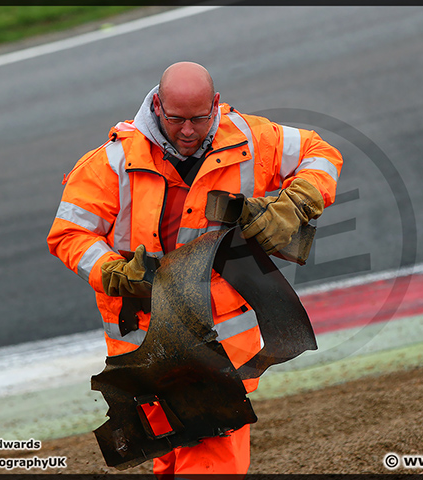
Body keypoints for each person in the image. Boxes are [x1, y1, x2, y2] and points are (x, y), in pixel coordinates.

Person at [47, 61, 343, 476]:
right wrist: (114, 272)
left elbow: (320, 153)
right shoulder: (109, 164)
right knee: (174, 452)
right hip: (145, 346)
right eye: (176, 119)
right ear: (156, 106)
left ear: (216, 106)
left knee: (206, 452)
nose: (188, 131)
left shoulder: (250, 138)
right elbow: (69, 235)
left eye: (199, 119)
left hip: (219, 346)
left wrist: (296, 203)